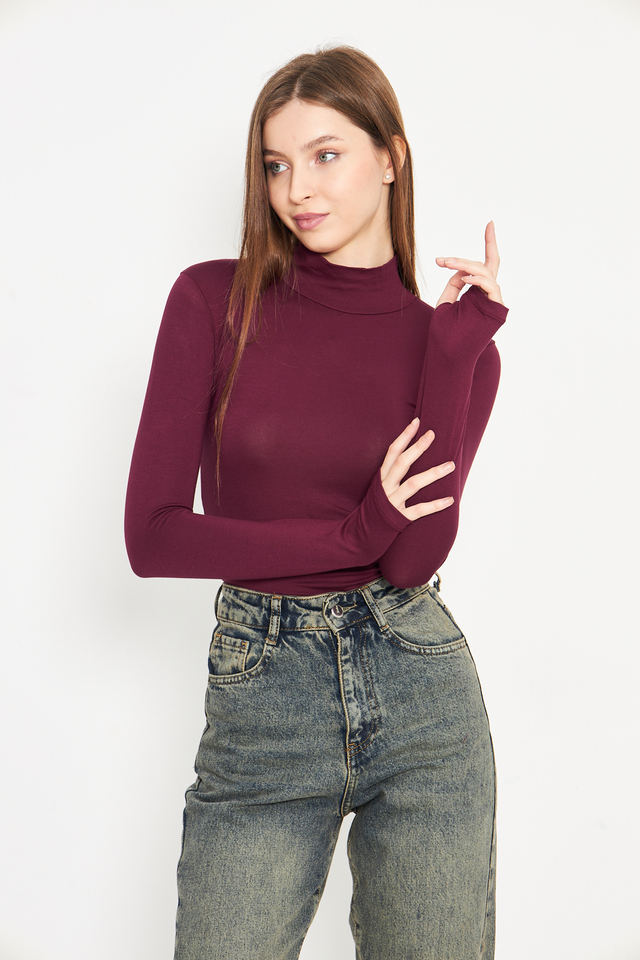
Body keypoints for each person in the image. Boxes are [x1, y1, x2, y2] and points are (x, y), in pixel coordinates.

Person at [124, 43, 509, 960]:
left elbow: (409, 561)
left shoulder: (456, 349)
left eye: (325, 154)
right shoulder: (213, 300)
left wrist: (453, 355)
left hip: (420, 689)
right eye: (275, 164)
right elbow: (154, 537)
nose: (297, 188)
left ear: (391, 157)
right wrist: (352, 531)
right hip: (264, 691)